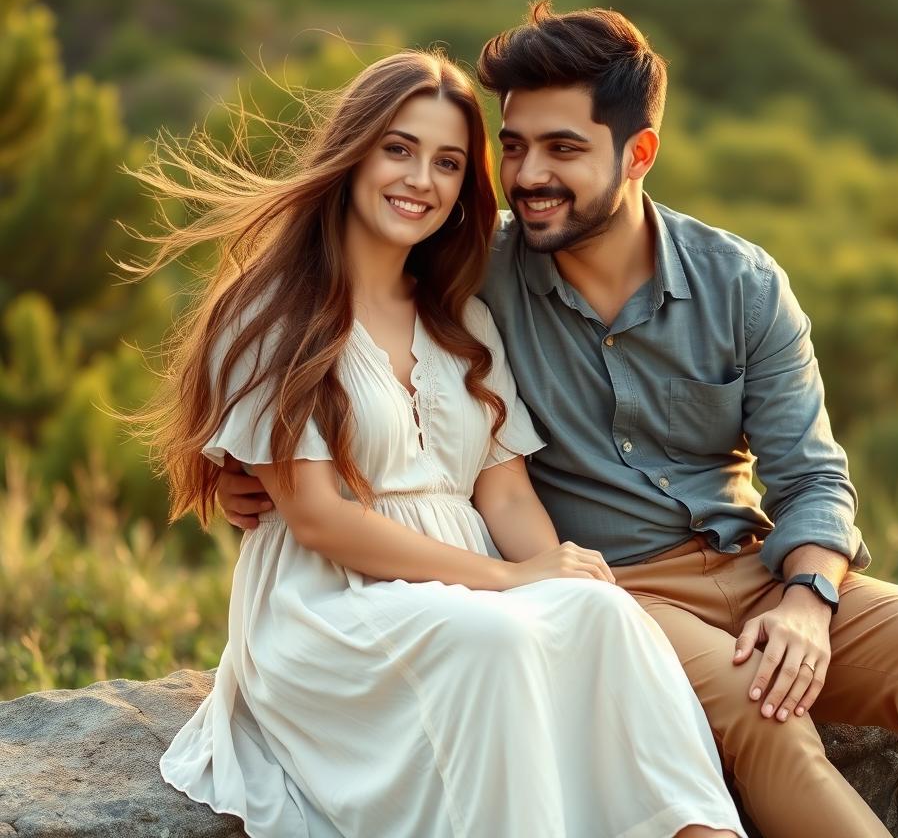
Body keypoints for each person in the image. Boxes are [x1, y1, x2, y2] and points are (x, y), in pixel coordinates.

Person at [216, 3, 898, 838]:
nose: (529, 175)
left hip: (752, 568)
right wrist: (253, 475)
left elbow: (814, 476)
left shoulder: (741, 285)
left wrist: (808, 598)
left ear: (638, 153)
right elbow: (337, 323)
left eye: (564, 148)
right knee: (763, 713)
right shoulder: (473, 268)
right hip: (620, 589)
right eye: (516, 145)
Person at [133, 50, 746, 838]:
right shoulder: (273, 314)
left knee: (604, 616)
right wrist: (510, 578)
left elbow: (505, 492)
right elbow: (320, 519)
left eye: (447, 162)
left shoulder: (461, 319)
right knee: (493, 636)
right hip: (328, 607)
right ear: (352, 154)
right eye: (399, 149)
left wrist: (564, 577)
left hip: (466, 594)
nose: (420, 179)